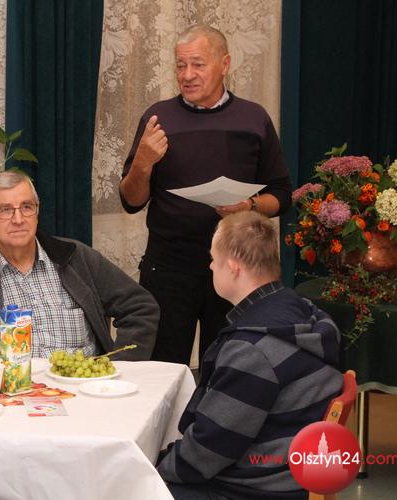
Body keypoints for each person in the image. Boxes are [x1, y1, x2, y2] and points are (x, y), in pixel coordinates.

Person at [119, 24, 293, 365]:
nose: (187, 75)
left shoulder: (253, 118)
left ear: (225, 64)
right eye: (180, 65)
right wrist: (142, 163)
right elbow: (131, 201)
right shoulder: (158, 118)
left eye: (198, 64)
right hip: (169, 268)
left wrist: (250, 206)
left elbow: (282, 195)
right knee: (163, 369)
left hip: (237, 267)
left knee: (231, 367)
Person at [157, 211, 343, 499]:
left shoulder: (252, 349)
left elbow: (209, 451)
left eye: (213, 259)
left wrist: (155, 467)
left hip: (259, 485)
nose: (210, 266)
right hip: (291, 466)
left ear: (233, 268)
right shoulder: (305, 311)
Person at [0, 170, 159, 360]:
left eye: (26, 207)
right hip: (8, 394)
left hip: (84, 392)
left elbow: (140, 307)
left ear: (37, 212)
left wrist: (120, 367)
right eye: (5, 210)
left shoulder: (76, 257)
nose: (18, 219)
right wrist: (1, 341)